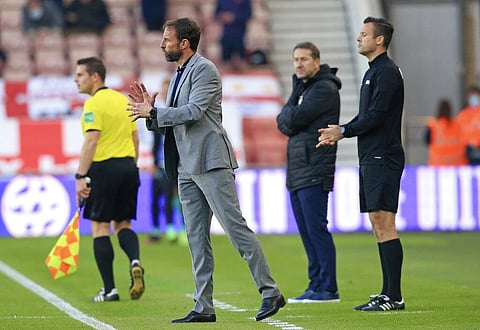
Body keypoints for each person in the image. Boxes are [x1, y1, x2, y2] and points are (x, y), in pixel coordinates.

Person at [127, 17, 285, 323]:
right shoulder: (177, 76)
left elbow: (193, 113)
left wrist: (157, 112)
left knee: (235, 228)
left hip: (211, 162)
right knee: (196, 237)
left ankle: (270, 291)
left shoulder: (205, 70)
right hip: (186, 166)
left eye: (166, 39)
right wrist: (151, 117)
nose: (162, 44)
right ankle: (203, 305)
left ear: (184, 43)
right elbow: (172, 125)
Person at [317, 16, 405, 312]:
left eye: (364, 34)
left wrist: (343, 131)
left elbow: (377, 117)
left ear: (379, 40)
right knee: (377, 223)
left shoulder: (387, 73)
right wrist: (342, 131)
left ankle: (394, 296)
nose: (359, 38)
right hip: (371, 155)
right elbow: (369, 117)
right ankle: (388, 292)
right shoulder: (374, 72)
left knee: (385, 223)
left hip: (383, 155)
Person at [74, 57, 144, 302]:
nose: (76, 80)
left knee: (100, 227)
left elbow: (92, 140)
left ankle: (110, 290)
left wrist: (81, 176)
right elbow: (136, 139)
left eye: (80, 75)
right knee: (123, 224)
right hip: (128, 166)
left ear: (95, 76)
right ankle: (135, 260)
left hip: (104, 168)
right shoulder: (123, 100)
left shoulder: (93, 104)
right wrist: (131, 167)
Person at [277, 41, 341, 303]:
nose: (299, 64)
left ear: (317, 62)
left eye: (304, 59)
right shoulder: (305, 89)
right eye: (295, 60)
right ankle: (316, 285)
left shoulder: (323, 89)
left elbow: (289, 120)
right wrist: (295, 92)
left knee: (316, 229)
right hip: (299, 170)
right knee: (307, 231)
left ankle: (328, 288)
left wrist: (293, 98)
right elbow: (283, 122)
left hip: (314, 167)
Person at [149, 78, 186, 245]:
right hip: (161, 163)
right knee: (160, 195)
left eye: (167, 89)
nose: (165, 93)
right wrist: (154, 162)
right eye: (163, 90)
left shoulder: (177, 111)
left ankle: (184, 231)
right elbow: (156, 141)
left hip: (177, 163)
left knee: (179, 197)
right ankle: (167, 229)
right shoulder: (158, 112)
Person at [424, 99, 466, 166]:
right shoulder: (458, 124)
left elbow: (426, 141)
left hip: (437, 165)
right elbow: (465, 141)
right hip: (457, 165)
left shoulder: (433, 125)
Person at [214, 0, 252, 71]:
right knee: (225, 63)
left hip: (240, 36)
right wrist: (221, 17)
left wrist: (233, 17)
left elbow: (248, 15)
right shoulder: (221, 1)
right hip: (225, 35)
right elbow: (216, 14)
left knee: (241, 63)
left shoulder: (246, 1)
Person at [457, 86, 480, 165]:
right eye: (471, 95)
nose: (473, 97)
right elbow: (457, 133)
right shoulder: (462, 115)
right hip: (466, 152)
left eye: (475, 94)